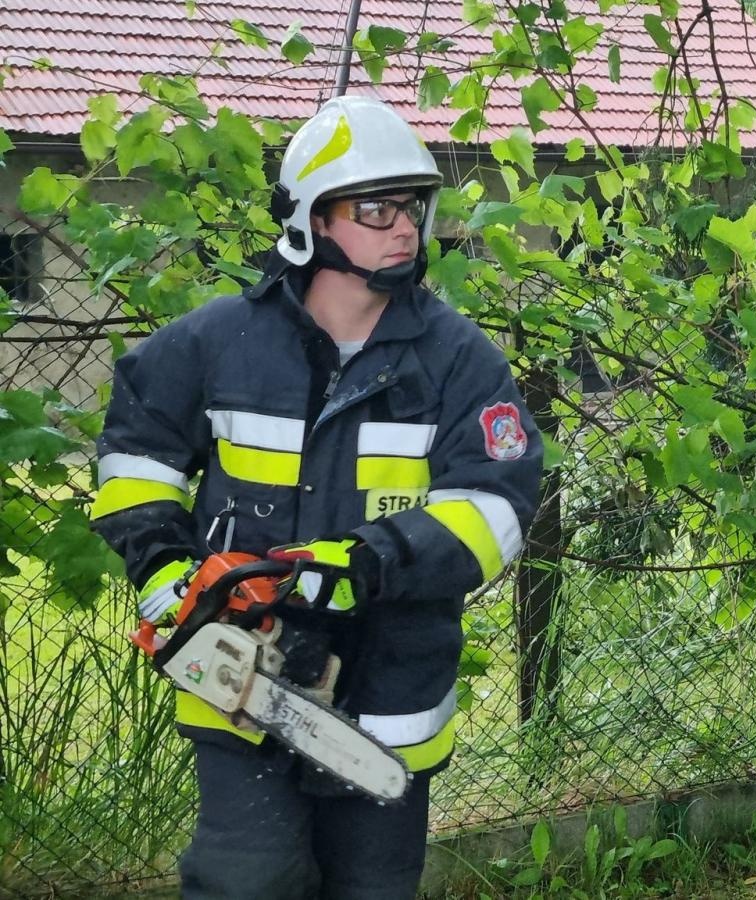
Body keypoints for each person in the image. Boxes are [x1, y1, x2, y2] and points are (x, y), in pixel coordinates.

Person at [90, 95, 543, 899]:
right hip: (237, 676)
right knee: (245, 878)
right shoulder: (216, 341)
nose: (404, 227)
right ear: (311, 221)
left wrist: (365, 564)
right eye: (377, 209)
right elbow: (135, 454)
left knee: (370, 885)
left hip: (387, 687)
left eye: (411, 206)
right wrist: (167, 571)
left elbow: (496, 508)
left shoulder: (458, 361)